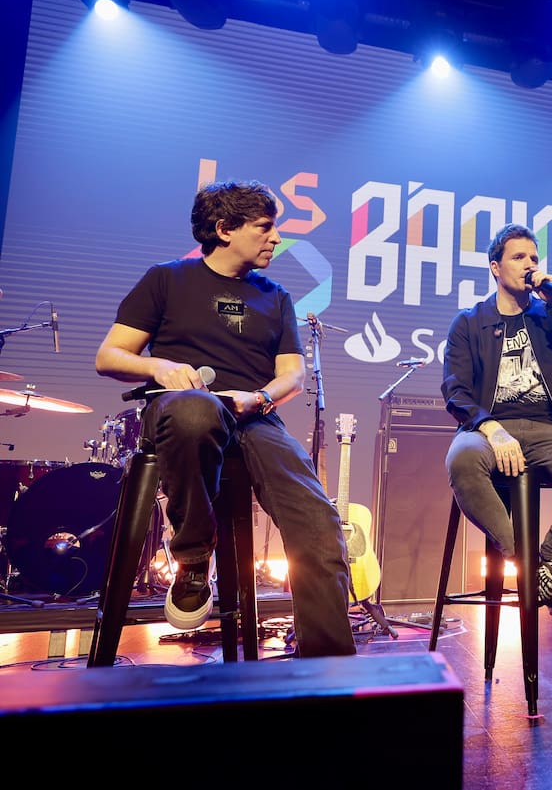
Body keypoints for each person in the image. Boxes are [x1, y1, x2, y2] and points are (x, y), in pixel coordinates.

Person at [95, 179, 356, 658]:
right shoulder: (166, 279)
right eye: (265, 227)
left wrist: (258, 397)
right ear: (224, 229)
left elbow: (292, 374)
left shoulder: (275, 296)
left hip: (253, 417)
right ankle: (194, 558)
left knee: (318, 520)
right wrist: (159, 367)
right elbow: (109, 355)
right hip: (181, 407)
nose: (276, 238)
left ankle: (328, 666)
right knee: (197, 411)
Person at [442, 223, 552, 609]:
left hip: (546, 429)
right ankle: (529, 565)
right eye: (519, 257)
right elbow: (455, 390)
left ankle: (549, 555)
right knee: (461, 460)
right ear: (495, 267)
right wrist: (491, 428)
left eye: (534, 258)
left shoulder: (546, 314)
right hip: (488, 429)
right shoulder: (469, 322)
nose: (530, 265)